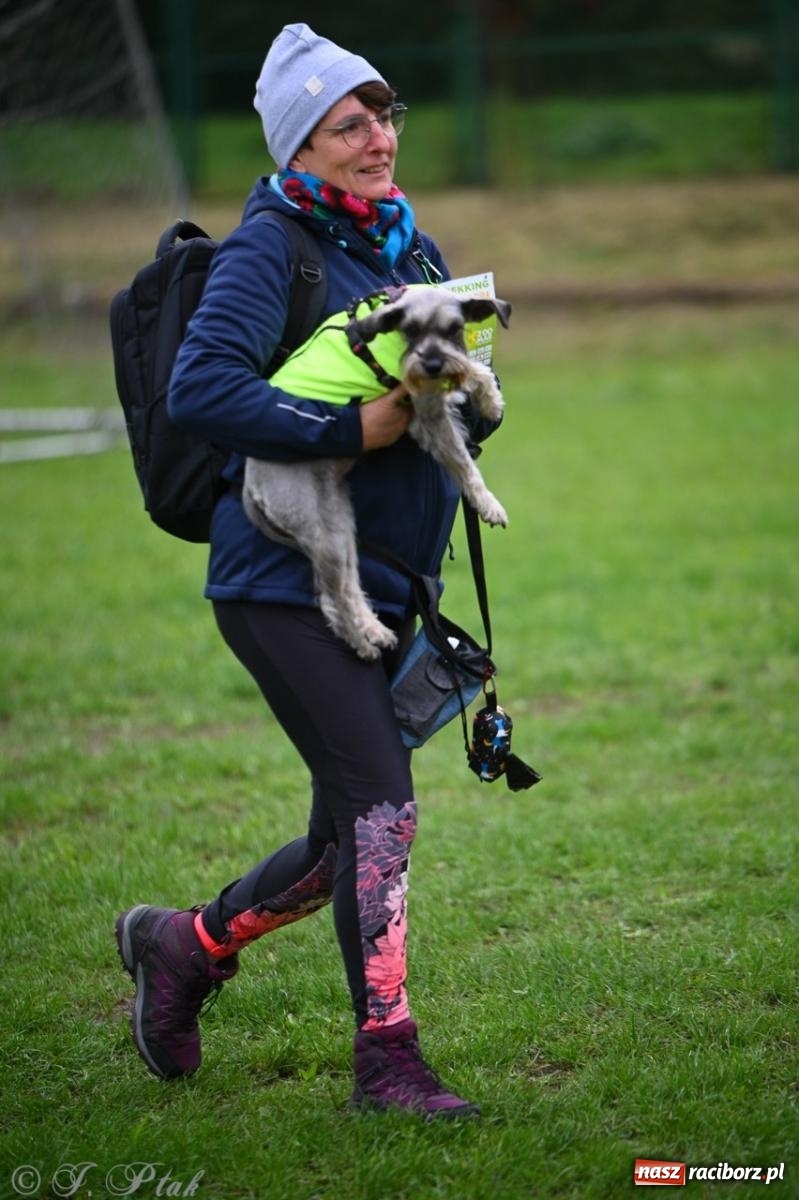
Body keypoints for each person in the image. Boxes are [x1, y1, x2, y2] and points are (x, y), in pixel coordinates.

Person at [115, 22, 501, 1120]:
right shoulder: (270, 247)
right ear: (301, 148)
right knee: (384, 809)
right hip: (282, 583)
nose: (378, 137)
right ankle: (389, 1062)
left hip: (388, 584)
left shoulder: (408, 252)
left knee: (343, 841)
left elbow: (429, 409)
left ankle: (179, 947)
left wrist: (465, 406)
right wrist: (355, 425)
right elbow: (205, 390)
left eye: (384, 115)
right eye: (350, 123)